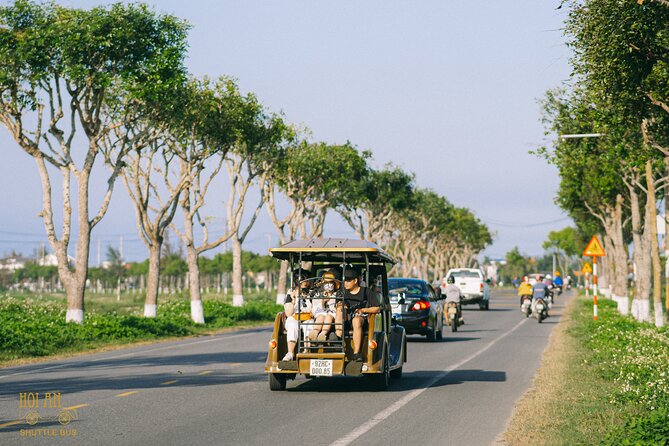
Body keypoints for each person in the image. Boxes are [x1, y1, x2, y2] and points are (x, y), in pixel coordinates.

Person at [334, 267, 380, 363]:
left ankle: (356, 353)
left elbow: (377, 308)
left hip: (361, 320)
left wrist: (363, 310)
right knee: (339, 310)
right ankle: (338, 343)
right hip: (345, 319)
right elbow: (337, 304)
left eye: (348, 280)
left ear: (355, 280)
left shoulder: (366, 291)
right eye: (344, 280)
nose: (345, 283)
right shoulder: (342, 292)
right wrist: (341, 306)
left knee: (356, 320)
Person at [282, 268, 314, 361]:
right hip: (294, 317)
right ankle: (290, 353)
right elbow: (288, 313)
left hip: (307, 317)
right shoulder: (290, 294)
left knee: (310, 324)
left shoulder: (311, 293)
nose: (307, 284)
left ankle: (306, 350)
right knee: (293, 324)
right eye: (305, 282)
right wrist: (293, 299)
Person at [308, 270, 340, 342]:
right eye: (326, 283)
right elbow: (316, 307)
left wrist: (330, 300)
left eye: (330, 283)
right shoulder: (319, 294)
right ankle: (315, 332)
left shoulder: (336, 294)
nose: (328, 285)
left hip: (332, 313)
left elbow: (336, 307)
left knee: (328, 317)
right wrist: (323, 301)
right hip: (321, 312)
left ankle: (323, 334)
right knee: (320, 316)